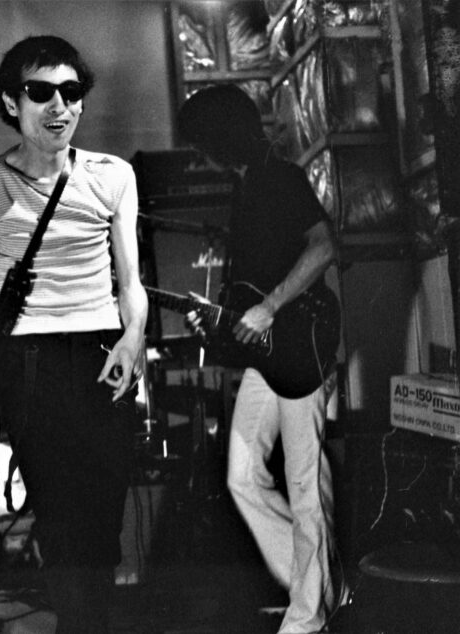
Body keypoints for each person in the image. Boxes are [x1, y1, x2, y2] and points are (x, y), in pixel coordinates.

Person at [0, 35, 147, 632]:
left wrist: (133, 337)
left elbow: (130, 280)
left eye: (71, 92)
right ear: (11, 102)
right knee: (59, 521)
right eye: (40, 92)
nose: (59, 106)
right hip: (30, 363)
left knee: (102, 526)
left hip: (103, 351)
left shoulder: (113, 176)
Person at [176, 85, 341, 633]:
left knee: (305, 485)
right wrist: (217, 321)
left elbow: (323, 246)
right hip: (268, 357)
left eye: (202, 145)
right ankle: (319, 587)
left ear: (221, 137)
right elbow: (251, 288)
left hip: (302, 345)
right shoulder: (244, 190)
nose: (201, 157)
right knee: (242, 476)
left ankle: (307, 618)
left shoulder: (281, 178)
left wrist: (269, 308)